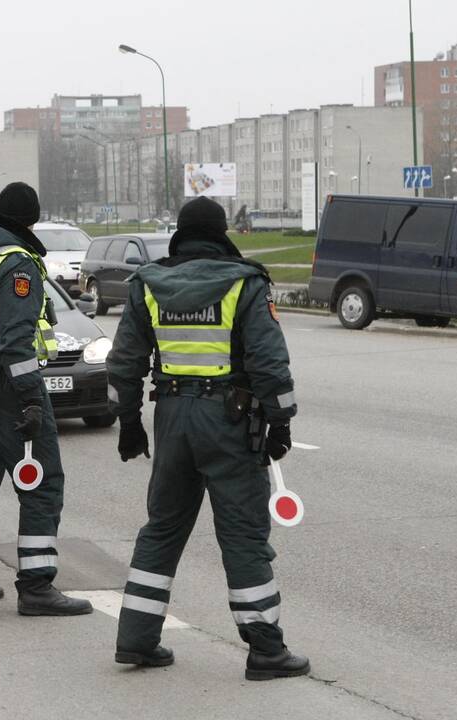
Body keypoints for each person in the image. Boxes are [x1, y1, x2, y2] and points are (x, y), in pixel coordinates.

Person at [107, 196, 308, 680]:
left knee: (162, 527)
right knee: (241, 533)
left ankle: (136, 640)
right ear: (221, 234)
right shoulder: (245, 284)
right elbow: (268, 362)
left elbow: (124, 363)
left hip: (172, 417)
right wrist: (280, 422)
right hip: (230, 421)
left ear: (180, 235)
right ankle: (265, 649)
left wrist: (129, 422)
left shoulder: (147, 286)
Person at [0, 182, 92, 617]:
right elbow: (16, 343)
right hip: (10, 384)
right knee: (42, 482)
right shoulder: (17, 264)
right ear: (30, 221)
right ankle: (37, 586)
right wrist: (29, 400)